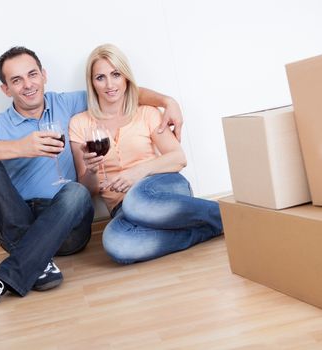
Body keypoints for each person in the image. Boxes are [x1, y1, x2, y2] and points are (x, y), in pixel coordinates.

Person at [0, 46, 185, 311]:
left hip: (68, 220)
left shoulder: (68, 103)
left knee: (75, 192)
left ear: (44, 75)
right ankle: (40, 261)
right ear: (6, 89)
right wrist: (21, 147)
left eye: (32, 75)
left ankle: (3, 280)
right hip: (18, 219)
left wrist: (167, 102)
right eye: (16, 80)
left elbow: (118, 91)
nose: (28, 85)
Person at [69, 44, 223, 265]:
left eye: (116, 74)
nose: (110, 84)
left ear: (126, 78)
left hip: (162, 187)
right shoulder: (80, 123)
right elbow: (87, 189)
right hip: (122, 207)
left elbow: (178, 158)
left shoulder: (146, 113)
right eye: (100, 77)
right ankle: (208, 229)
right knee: (115, 244)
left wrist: (136, 173)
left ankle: (228, 215)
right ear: (91, 83)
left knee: (137, 201)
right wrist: (91, 170)